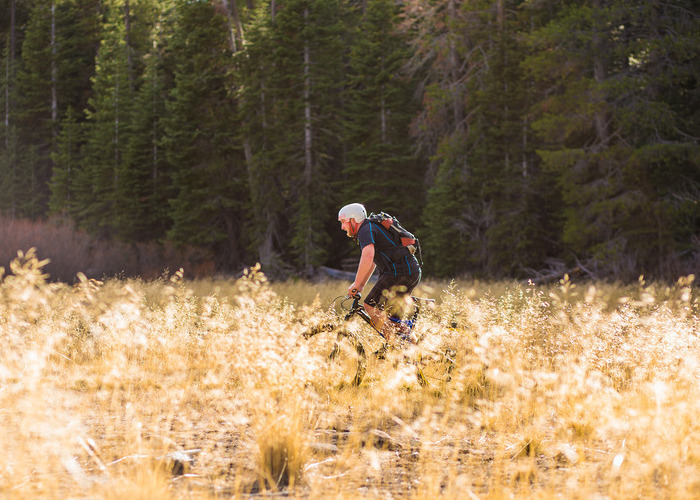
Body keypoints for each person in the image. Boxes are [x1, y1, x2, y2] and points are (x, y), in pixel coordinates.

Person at [337, 203, 421, 341]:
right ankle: (414, 352)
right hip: (410, 270)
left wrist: (356, 284)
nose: (342, 227)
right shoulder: (370, 227)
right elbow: (373, 261)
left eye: (343, 222)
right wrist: (360, 285)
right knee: (393, 319)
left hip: (398, 272)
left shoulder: (365, 229)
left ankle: (395, 347)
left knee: (370, 305)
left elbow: (368, 256)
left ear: (353, 220)